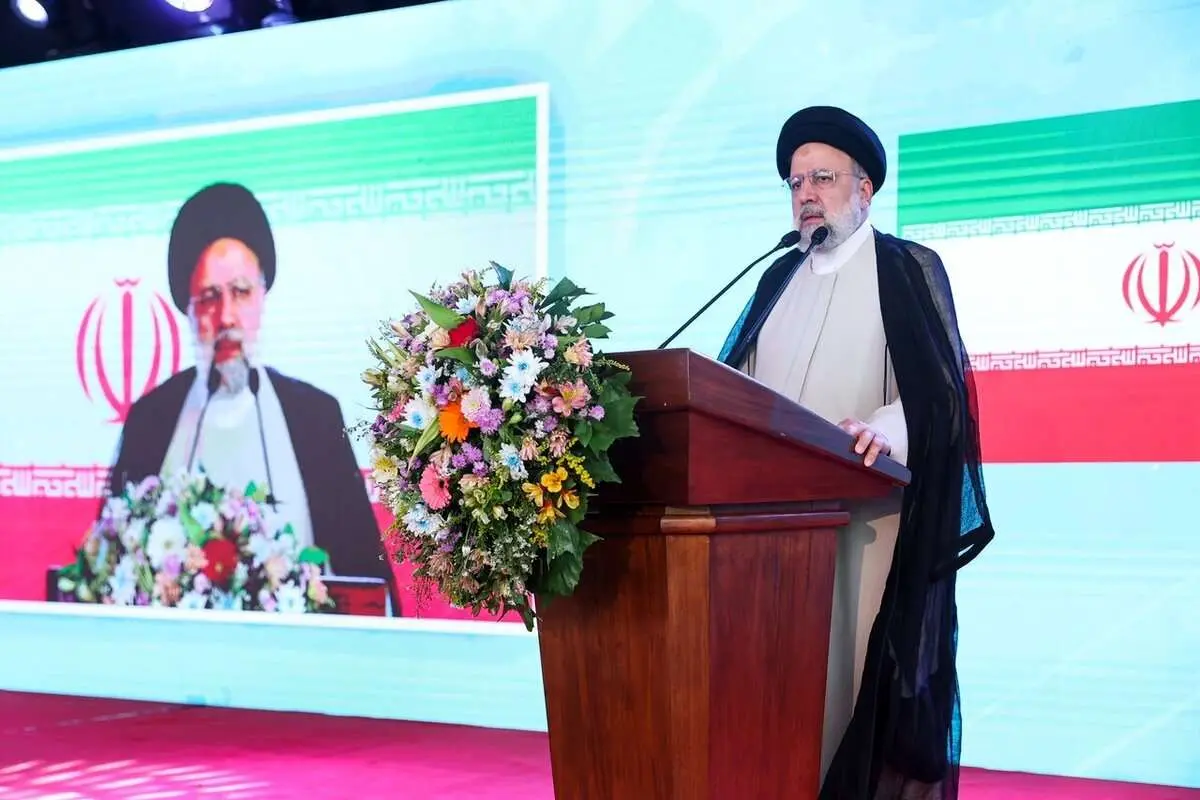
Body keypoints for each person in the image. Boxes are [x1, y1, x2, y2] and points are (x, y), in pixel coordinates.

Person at [718, 106, 995, 800]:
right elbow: (731, 388)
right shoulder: (776, 280)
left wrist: (887, 428)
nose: (806, 195)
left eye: (823, 178)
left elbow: (941, 395)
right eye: (795, 183)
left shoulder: (904, 268)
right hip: (769, 534)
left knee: (847, 698)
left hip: (868, 525)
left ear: (864, 190)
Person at [103, 182, 396, 611]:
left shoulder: (315, 417)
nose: (226, 317)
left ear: (262, 296)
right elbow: (108, 565)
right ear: (188, 310)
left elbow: (368, 580)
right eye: (208, 298)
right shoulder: (151, 419)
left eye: (240, 292)